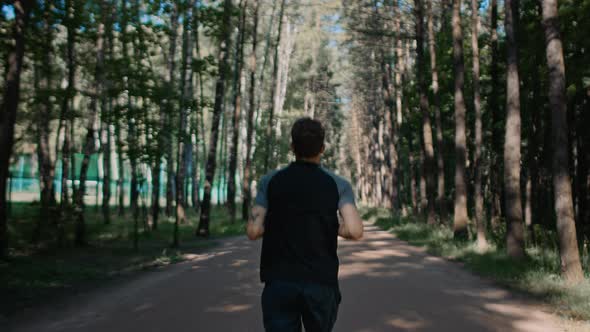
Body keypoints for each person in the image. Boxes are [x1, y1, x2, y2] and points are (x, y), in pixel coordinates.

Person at [246, 117, 364, 332]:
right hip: (321, 283)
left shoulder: (270, 181)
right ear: (323, 148)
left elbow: (253, 230)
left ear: (292, 147)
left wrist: (276, 225)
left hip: (279, 282)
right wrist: (333, 226)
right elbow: (355, 231)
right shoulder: (338, 184)